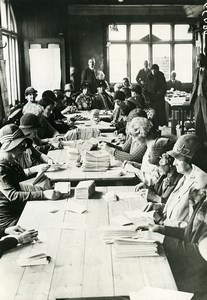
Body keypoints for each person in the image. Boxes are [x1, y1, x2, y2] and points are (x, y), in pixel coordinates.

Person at [135, 146, 207, 299]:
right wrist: (160, 229)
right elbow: (191, 234)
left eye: (197, 171)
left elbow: (199, 254)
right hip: (189, 271)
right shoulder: (203, 199)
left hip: (196, 284)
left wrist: (162, 239)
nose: (193, 175)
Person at [0, 124, 62, 230]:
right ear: (10, 147)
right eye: (20, 147)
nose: (24, 151)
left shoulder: (12, 161)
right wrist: (43, 194)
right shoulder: (1, 167)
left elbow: (20, 177)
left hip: (20, 207)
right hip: (9, 219)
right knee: (47, 224)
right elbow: (12, 195)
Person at [144, 134, 203, 227]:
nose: (174, 163)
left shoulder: (199, 187)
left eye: (178, 159)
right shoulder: (183, 179)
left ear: (191, 161)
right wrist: (159, 207)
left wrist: (161, 222)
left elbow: (191, 231)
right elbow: (176, 212)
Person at [190, 53, 207, 143]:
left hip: (205, 98)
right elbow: (195, 85)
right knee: (198, 120)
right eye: (197, 60)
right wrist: (192, 98)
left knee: (206, 120)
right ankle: (198, 141)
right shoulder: (196, 70)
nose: (199, 62)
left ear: (204, 60)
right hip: (197, 98)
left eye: (200, 60)